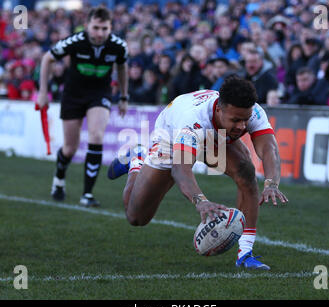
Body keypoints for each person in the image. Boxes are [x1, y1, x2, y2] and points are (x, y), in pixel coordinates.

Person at [107, 75, 288, 270]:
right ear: (219, 109)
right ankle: (137, 160)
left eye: (245, 120)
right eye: (235, 120)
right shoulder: (192, 121)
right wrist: (201, 201)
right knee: (136, 217)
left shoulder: (253, 112)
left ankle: (245, 254)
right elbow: (180, 169)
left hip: (214, 135)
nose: (242, 127)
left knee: (246, 172)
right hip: (171, 136)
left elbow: (269, 148)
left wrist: (271, 183)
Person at [36, 6, 129, 207]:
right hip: (73, 95)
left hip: (100, 94)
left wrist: (123, 96)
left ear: (110, 27)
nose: (100, 33)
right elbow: (47, 58)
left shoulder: (119, 46)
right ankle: (59, 179)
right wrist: (43, 92)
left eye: (105, 28)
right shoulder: (76, 41)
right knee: (70, 148)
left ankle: (87, 194)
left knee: (96, 135)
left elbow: (122, 67)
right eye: (96, 28)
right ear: (87, 26)